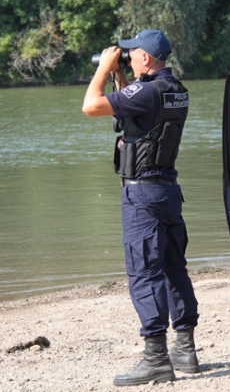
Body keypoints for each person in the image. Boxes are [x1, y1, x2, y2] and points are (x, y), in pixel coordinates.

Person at [81, 29, 200, 386]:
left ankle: (156, 359)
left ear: (146, 58)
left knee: (144, 273)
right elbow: (135, 118)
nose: (128, 57)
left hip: (142, 198)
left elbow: (91, 105)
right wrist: (123, 77)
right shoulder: (175, 90)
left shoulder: (147, 92)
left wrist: (103, 68)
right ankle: (185, 349)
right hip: (168, 192)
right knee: (174, 268)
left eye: (133, 53)